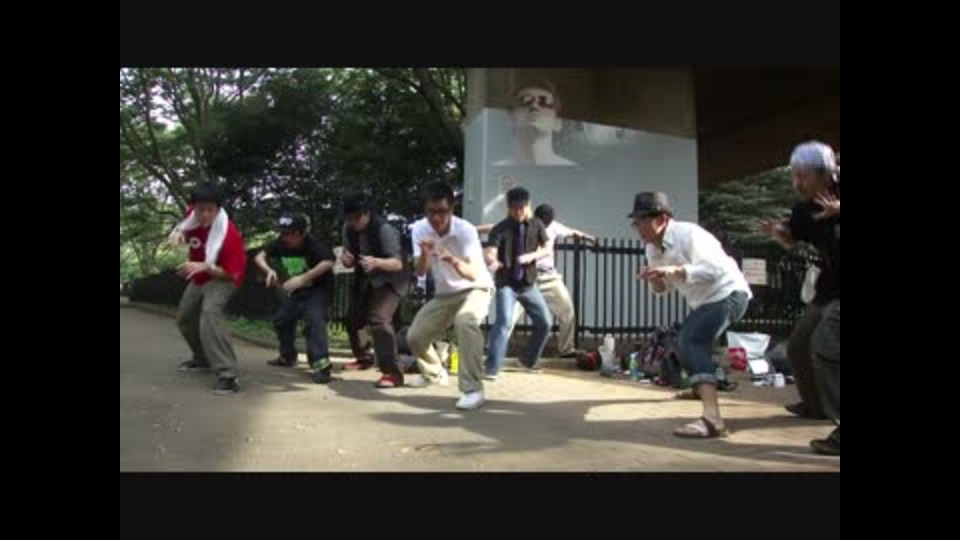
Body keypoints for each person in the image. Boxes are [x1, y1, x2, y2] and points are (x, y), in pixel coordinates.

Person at [631, 192, 752, 438]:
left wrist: (675, 269)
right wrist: (653, 278)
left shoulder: (689, 234)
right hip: (706, 302)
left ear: (661, 219)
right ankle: (700, 389)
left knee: (691, 339)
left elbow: (714, 270)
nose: (638, 229)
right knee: (683, 342)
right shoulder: (651, 249)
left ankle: (713, 420)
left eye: (642, 222)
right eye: (635, 223)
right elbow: (662, 289)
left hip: (729, 294)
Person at [759, 141, 840, 422]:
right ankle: (816, 406)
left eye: (804, 176)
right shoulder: (803, 210)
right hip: (829, 286)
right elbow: (793, 241)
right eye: (794, 175)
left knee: (826, 347)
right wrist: (779, 232)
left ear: (826, 174)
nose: (798, 183)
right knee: (799, 346)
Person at [405, 181, 494, 409]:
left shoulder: (465, 230)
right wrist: (425, 253)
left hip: (476, 288)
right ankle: (433, 373)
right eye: (431, 212)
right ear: (425, 211)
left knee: (465, 321)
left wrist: (452, 260)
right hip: (445, 294)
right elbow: (420, 271)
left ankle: (473, 389)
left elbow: (473, 274)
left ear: (452, 209)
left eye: (442, 211)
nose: (437, 218)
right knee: (415, 336)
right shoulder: (420, 229)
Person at [174, 183, 248, 395]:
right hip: (200, 275)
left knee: (210, 312)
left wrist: (206, 267)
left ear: (218, 209)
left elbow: (232, 274)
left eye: (210, 210)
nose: (204, 215)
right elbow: (183, 226)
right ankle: (203, 359)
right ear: (193, 208)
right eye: (200, 209)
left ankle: (228, 374)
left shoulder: (229, 235)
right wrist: (178, 233)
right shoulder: (191, 215)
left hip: (224, 277)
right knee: (185, 318)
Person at [254, 213, 336, 384]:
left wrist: (303, 278)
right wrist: (269, 270)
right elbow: (259, 257)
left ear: (300, 233)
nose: (284, 237)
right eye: (282, 233)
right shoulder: (280, 243)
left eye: (288, 234)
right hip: (297, 292)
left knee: (314, 321)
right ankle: (288, 357)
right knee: (282, 320)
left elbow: (328, 262)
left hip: (318, 291)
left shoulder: (313, 245)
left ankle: (321, 366)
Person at [339, 191, 410, 388]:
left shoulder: (384, 229)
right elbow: (347, 256)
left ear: (367, 213)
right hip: (366, 277)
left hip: (391, 279)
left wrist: (377, 262)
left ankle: (393, 372)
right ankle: (363, 357)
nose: (353, 222)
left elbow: (397, 263)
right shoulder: (348, 229)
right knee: (353, 318)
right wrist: (346, 260)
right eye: (349, 218)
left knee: (379, 319)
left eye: (357, 217)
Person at [484, 187, 554, 380]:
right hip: (506, 283)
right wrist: (492, 260)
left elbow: (548, 249)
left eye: (522, 208)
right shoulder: (500, 228)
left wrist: (532, 256)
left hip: (528, 284)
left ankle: (528, 361)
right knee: (504, 321)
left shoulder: (536, 225)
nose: (518, 212)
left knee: (545, 322)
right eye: (514, 208)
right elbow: (490, 251)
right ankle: (492, 368)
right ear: (509, 208)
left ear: (528, 206)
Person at [494, 81, 576, 167]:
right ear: (510, 119)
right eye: (525, 102)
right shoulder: (494, 169)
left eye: (544, 103)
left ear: (557, 123)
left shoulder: (573, 170)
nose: (534, 106)